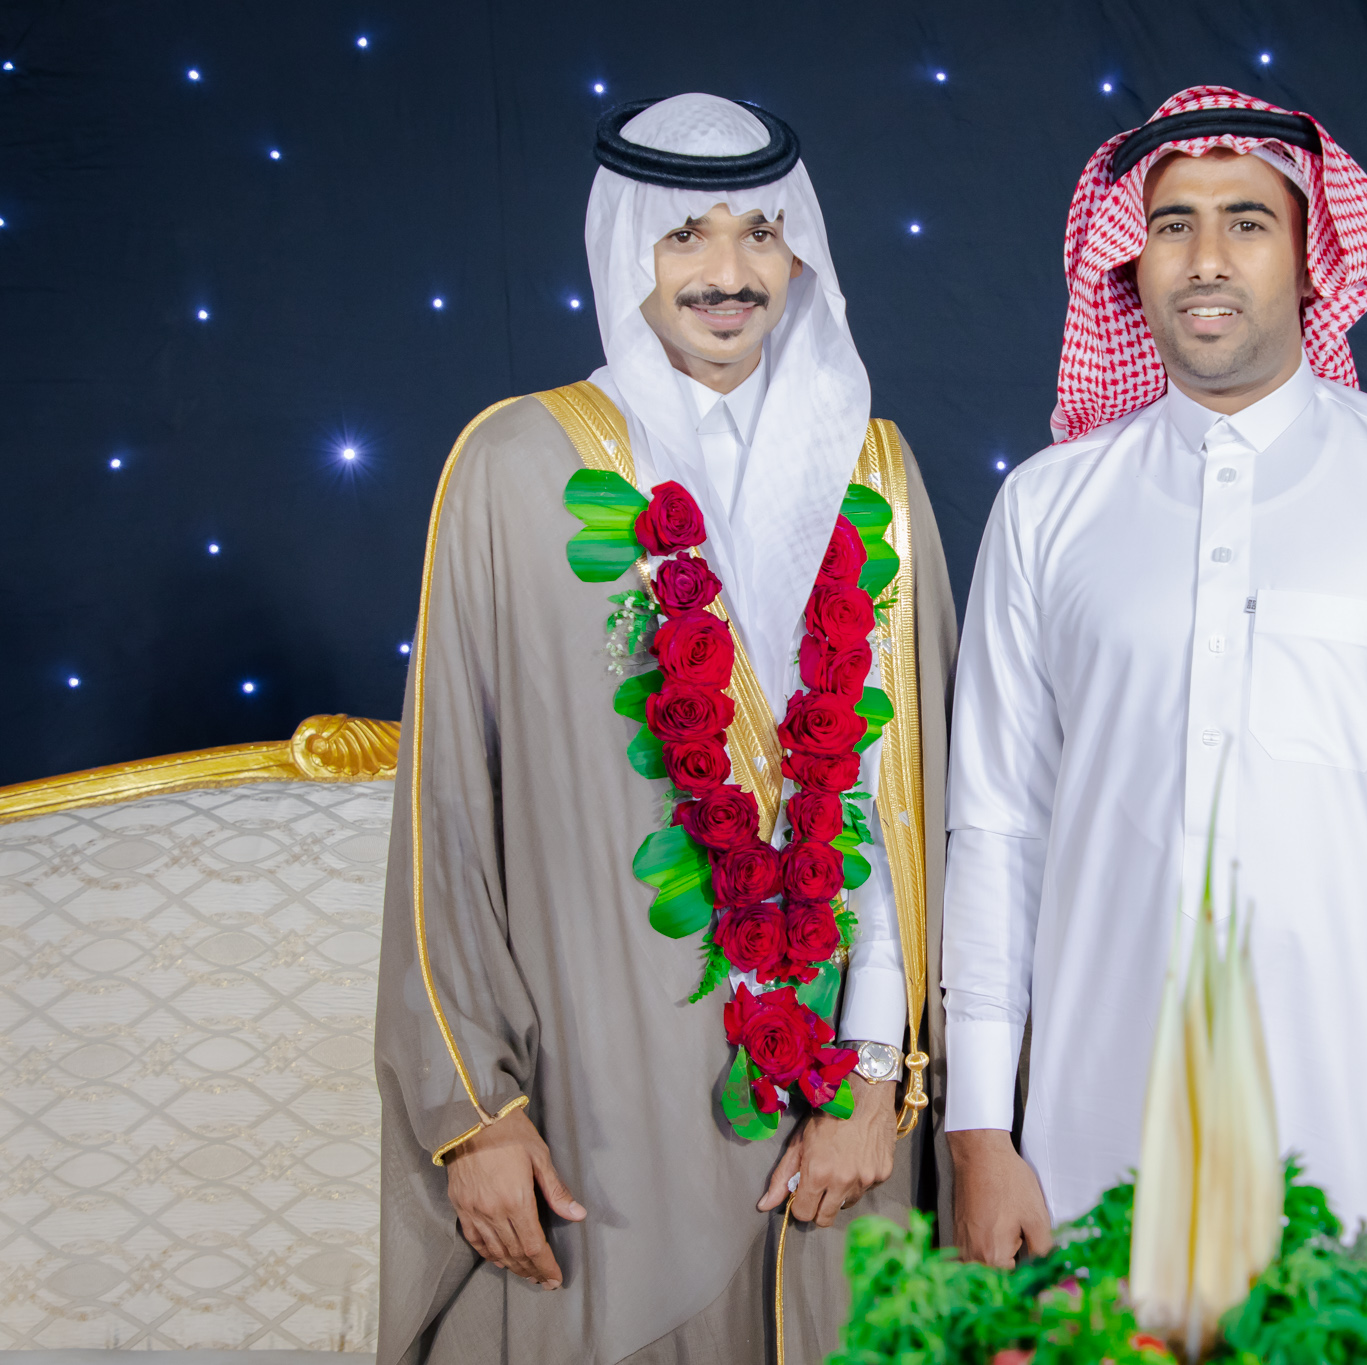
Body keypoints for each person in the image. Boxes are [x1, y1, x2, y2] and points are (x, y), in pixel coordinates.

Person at [941, 86, 1367, 1343]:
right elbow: (997, 831)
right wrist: (980, 1128)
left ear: (1310, 255)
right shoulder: (1046, 508)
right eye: (1170, 223)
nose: (1204, 258)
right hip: (1102, 1136)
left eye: (1245, 221)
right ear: (1127, 261)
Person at [375, 93, 955, 1365]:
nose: (728, 273)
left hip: (837, 1128)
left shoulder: (874, 475)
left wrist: (874, 1079)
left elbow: (905, 811)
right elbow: (446, 820)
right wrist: (475, 1116)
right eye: (685, 235)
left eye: (760, 233)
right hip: (592, 1123)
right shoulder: (515, 468)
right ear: (622, 247)